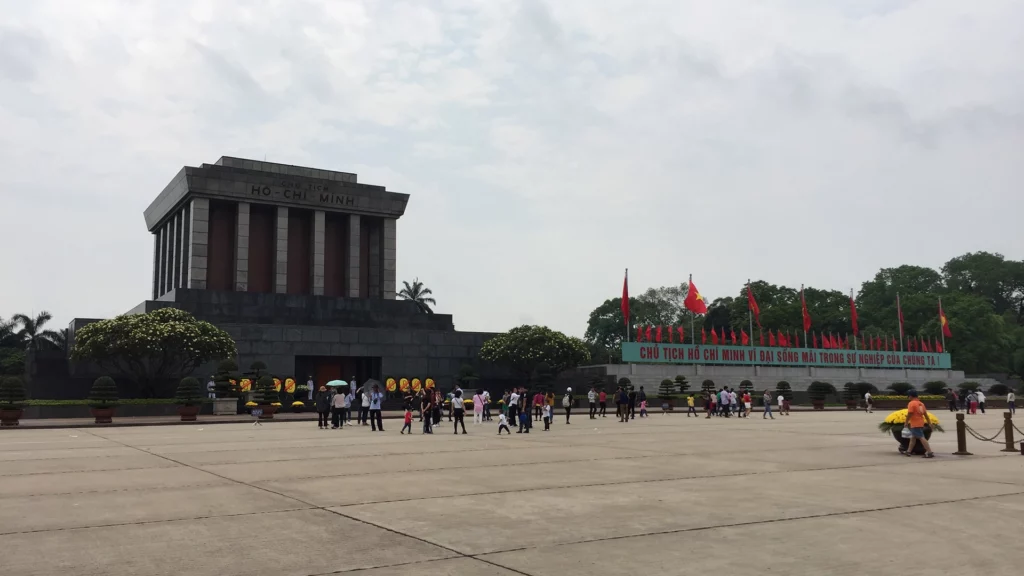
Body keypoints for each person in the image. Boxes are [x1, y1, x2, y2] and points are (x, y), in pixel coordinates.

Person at [903, 390, 935, 458]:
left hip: (915, 423)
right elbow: (925, 414)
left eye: (908, 396)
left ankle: (929, 452)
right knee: (913, 437)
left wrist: (906, 422)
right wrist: (929, 423)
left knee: (921, 437)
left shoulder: (911, 403)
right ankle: (908, 451)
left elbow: (910, 413)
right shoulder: (921, 403)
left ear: (910, 396)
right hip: (920, 422)